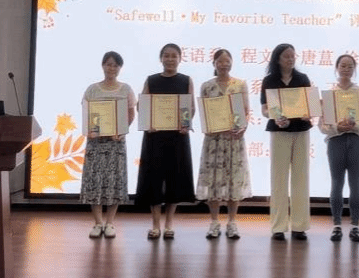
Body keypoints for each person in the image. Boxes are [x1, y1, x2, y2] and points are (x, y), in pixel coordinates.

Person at [135, 43, 195, 239]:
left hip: (177, 136)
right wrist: (147, 122)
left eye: (174, 56)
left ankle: (169, 224)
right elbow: (142, 106)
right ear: (161, 58)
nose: (170, 59)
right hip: (155, 136)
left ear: (180, 59)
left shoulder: (186, 80)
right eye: (166, 56)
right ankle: (155, 225)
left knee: (174, 179)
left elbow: (191, 108)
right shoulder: (151, 80)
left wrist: (185, 123)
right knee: (154, 179)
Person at [196, 49, 251, 240]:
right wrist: (208, 127)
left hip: (234, 140)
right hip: (214, 141)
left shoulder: (240, 84)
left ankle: (232, 223)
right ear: (214, 64)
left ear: (232, 63)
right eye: (220, 61)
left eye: (227, 61)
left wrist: (242, 127)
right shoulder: (206, 86)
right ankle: (214, 222)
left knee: (233, 181)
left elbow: (246, 111)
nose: (224, 64)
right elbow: (204, 113)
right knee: (213, 182)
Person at [80, 51, 136, 239]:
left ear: (120, 68)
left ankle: (110, 223)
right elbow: (87, 114)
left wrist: (121, 130)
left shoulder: (126, 89)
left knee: (115, 181)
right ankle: (97, 223)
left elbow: (130, 114)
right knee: (95, 182)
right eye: (108, 64)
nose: (112, 68)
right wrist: (91, 130)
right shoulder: (92, 90)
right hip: (95, 143)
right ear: (103, 65)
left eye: (115, 65)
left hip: (116, 143)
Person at [260, 44, 312, 241]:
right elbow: (265, 109)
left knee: (301, 178)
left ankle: (299, 226)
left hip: (300, 131)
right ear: (277, 59)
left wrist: (309, 113)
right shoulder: (269, 80)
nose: (291, 59)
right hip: (279, 131)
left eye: (293, 56)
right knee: (278, 179)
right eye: (286, 56)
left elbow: (310, 106)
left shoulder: (302, 78)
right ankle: (278, 227)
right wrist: (274, 116)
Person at [319, 54, 359, 242]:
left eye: (350, 66)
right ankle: (337, 225)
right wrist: (337, 128)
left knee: (356, 183)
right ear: (337, 68)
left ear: (354, 69)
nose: (346, 70)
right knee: (337, 182)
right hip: (336, 141)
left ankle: (355, 226)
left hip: (358, 141)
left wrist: (356, 126)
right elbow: (322, 126)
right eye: (343, 66)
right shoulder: (329, 95)